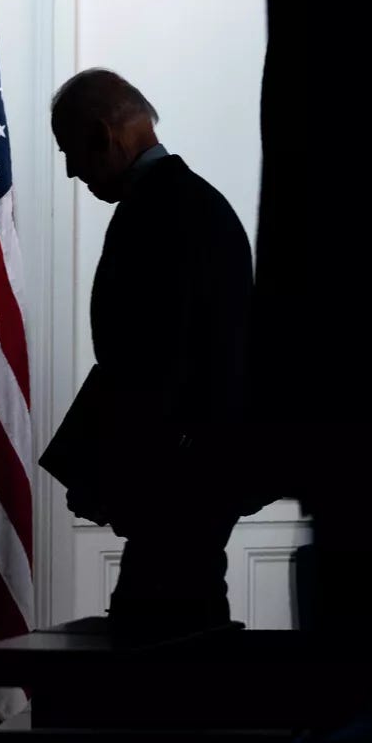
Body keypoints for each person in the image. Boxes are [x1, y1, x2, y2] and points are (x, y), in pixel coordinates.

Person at [44, 68, 257, 638]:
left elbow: (151, 367)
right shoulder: (193, 203)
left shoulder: (161, 210)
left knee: (161, 643)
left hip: (178, 480)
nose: (71, 171)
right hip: (194, 474)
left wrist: (115, 470)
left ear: (100, 135)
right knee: (180, 633)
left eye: (70, 152)